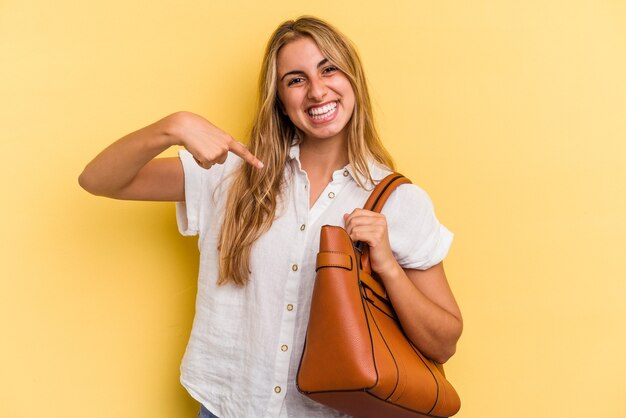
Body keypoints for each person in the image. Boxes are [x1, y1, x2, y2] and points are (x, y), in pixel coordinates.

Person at [79, 16, 462, 418]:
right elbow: (98, 179)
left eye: (328, 68)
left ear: (353, 79)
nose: (317, 91)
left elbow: (443, 344)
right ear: (279, 98)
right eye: (295, 79)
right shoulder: (230, 172)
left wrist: (387, 265)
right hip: (226, 406)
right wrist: (173, 127)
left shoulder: (399, 201)